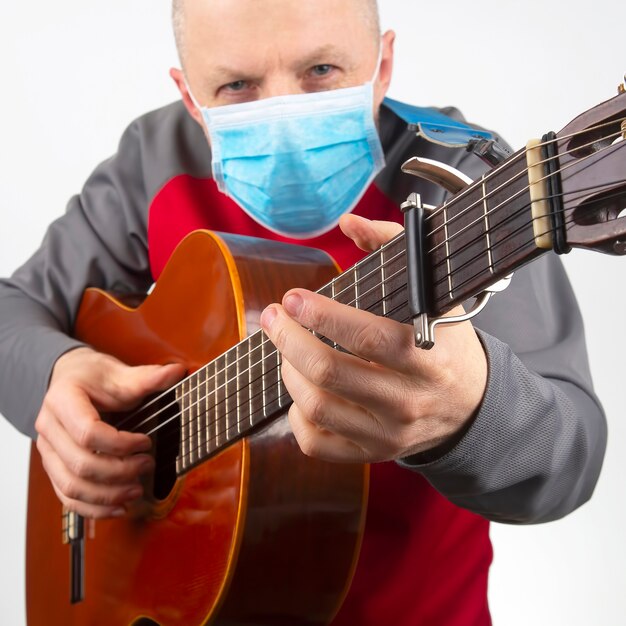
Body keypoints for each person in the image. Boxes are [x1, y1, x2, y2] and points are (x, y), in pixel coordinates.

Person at [0, 0, 607, 624]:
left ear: (383, 64)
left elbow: (572, 459)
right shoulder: (152, 164)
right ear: (189, 96)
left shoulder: (470, 180)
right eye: (236, 86)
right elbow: (11, 312)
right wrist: (56, 378)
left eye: (321, 70)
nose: (283, 111)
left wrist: (469, 414)